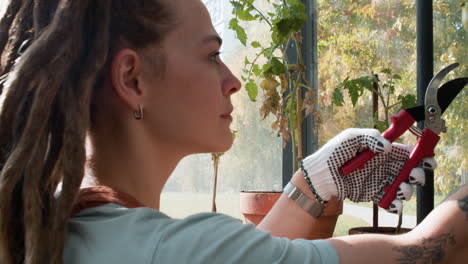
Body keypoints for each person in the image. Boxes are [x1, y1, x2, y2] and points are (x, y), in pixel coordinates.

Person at [0, 0, 466, 263]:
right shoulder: (178, 250)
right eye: (210, 55)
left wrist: (315, 181)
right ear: (132, 79)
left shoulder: (62, 230)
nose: (233, 80)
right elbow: (432, 253)